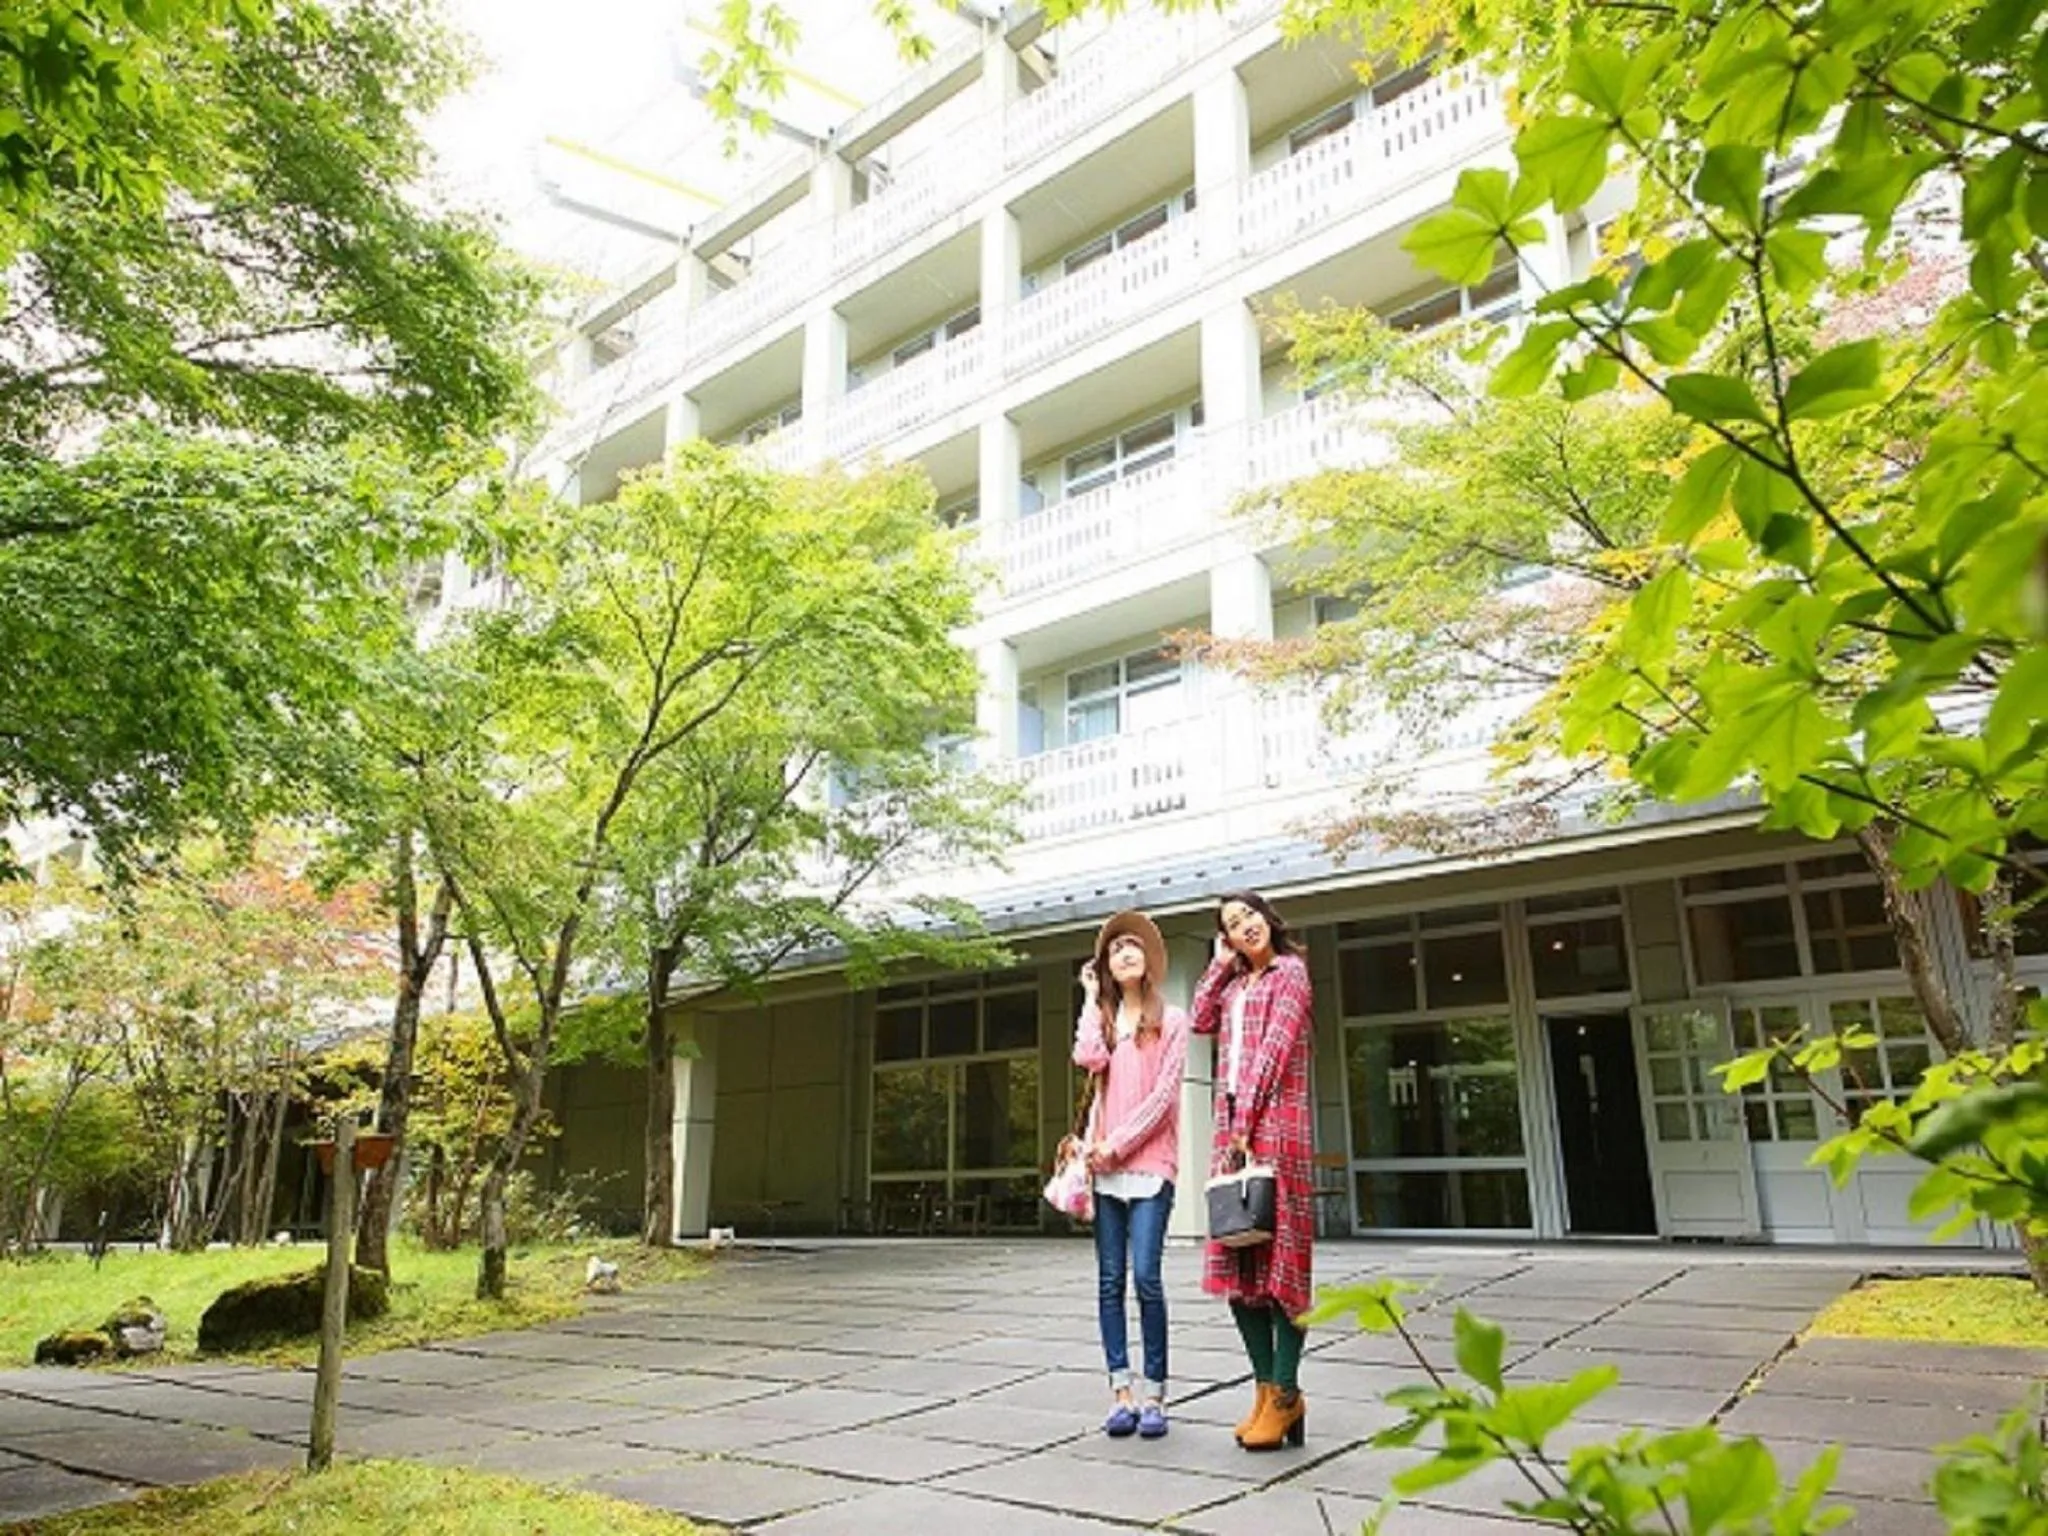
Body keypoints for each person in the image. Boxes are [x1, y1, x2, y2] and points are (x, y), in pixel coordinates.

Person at [1190, 889, 1315, 1451]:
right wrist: (1217, 968)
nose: (1245, 927)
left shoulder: (1291, 972)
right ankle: (1265, 1392)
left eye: (1249, 916)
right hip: (1232, 1130)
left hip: (1275, 1126)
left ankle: (1287, 1393)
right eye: (1232, 924)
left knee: (1281, 1263)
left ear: (1268, 918)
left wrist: (1247, 1123)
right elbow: (1199, 1019)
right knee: (1239, 1263)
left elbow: (1274, 1050)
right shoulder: (1236, 985)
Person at [1074, 909, 1189, 1440]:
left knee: (1145, 1277)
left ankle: (1155, 1394)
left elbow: (1164, 1100)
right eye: (1115, 948)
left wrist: (1115, 1146)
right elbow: (1085, 1058)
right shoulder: (1103, 1020)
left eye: (1132, 947)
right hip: (1104, 1172)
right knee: (1107, 1283)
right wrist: (1088, 997)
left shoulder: (1173, 1020)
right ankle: (1121, 1392)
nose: (1123, 953)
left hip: (1148, 1167)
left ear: (1147, 961)